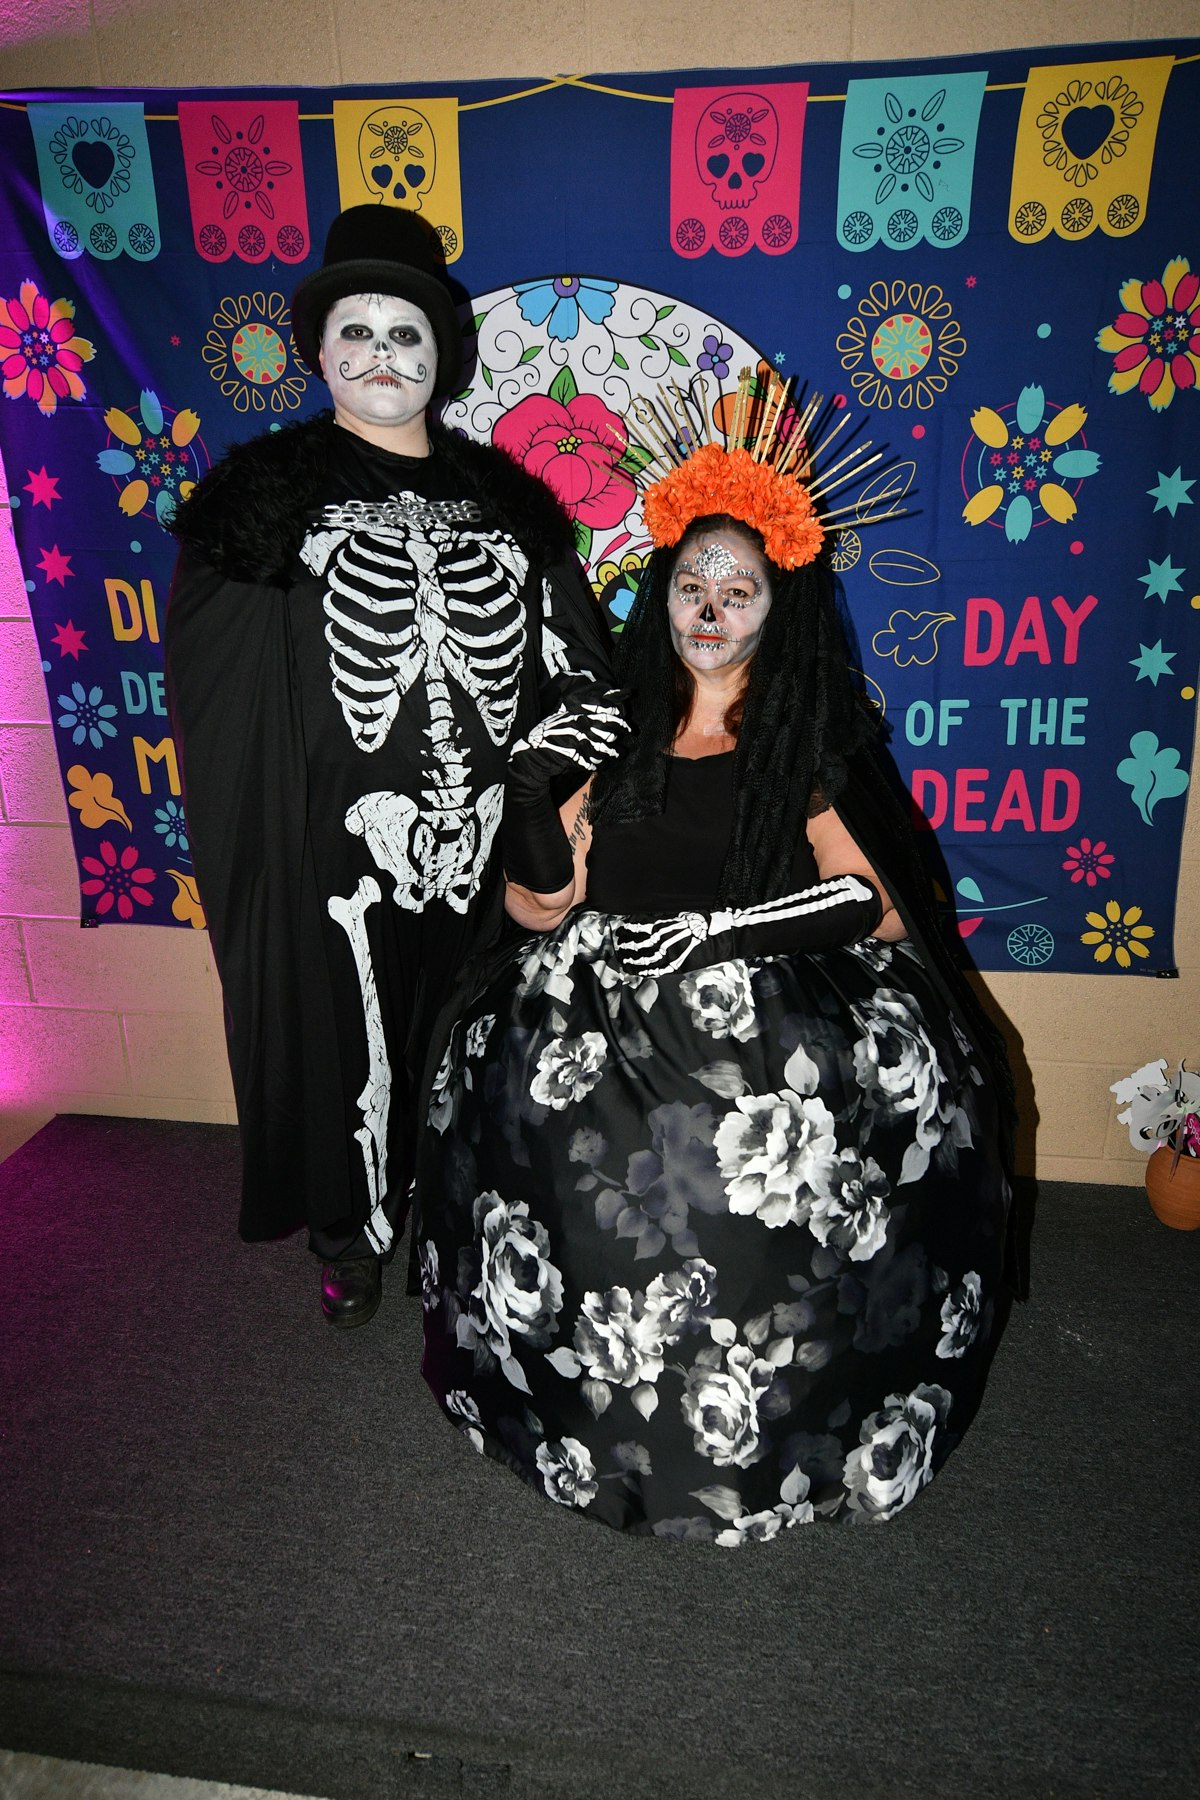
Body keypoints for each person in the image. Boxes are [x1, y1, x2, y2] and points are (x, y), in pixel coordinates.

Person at [414, 376, 1018, 1539]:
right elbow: (542, 909)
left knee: (761, 1192)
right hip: (593, 1000)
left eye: (738, 589)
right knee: (525, 1116)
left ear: (772, 606)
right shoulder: (617, 717)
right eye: (693, 583)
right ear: (664, 594)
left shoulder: (803, 732)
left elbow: (878, 905)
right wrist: (533, 793)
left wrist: (720, 933)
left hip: (771, 1009)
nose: (711, 606)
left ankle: (763, 1443)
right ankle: (579, 1421)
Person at [164, 205, 615, 1327]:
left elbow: (592, 684)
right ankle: (351, 1232)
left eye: (404, 333)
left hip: (488, 845)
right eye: (353, 333)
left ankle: (473, 1219)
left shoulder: (511, 506)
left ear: (443, 356)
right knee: (346, 1036)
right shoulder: (264, 500)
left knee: (477, 1039)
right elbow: (221, 700)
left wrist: (533, 791)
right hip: (341, 842)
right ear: (319, 354)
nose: (379, 356)